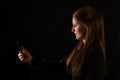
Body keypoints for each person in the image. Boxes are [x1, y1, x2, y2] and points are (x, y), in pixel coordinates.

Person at [18, 6, 106, 80]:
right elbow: (62, 65)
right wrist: (31, 60)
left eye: (75, 25)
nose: (72, 29)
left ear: (88, 26)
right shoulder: (81, 47)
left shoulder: (94, 51)